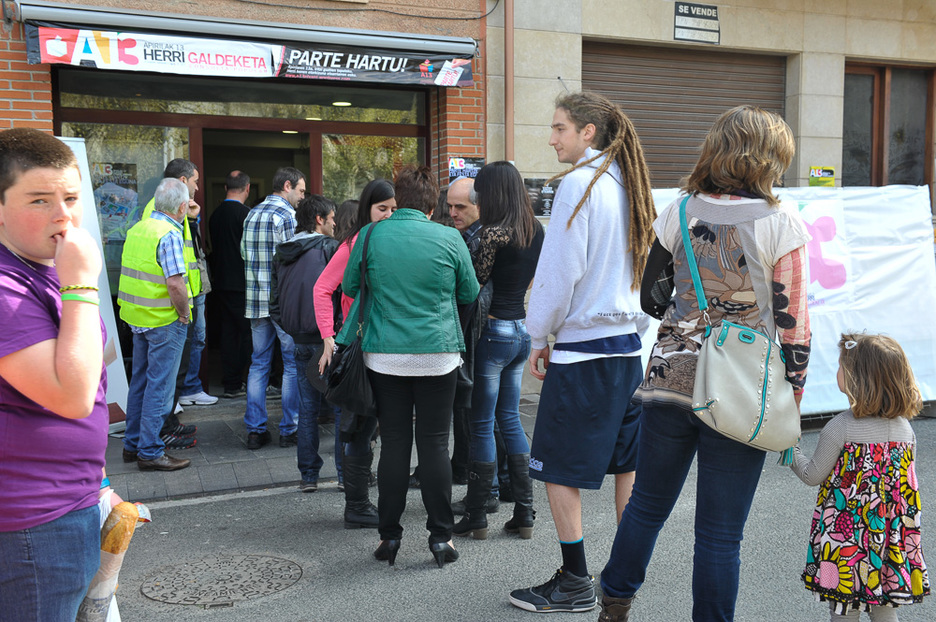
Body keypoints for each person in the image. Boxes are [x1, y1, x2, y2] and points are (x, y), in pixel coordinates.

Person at [598, 105, 812, 622]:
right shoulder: (781, 223)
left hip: (673, 373)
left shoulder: (678, 210)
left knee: (648, 503)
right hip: (741, 387)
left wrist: (691, 306)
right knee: (720, 534)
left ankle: (615, 601)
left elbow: (651, 297)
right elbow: (795, 326)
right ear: (769, 159)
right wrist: (792, 392)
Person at [509, 91, 656, 613]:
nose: (551, 138)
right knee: (627, 467)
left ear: (588, 131)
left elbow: (558, 272)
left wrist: (539, 335)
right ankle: (623, 575)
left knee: (555, 468)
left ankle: (575, 581)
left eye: (560, 129)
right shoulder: (629, 184)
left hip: (586, 352)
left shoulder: (579, 184)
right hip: (630, 352)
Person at [337, 165, 479, 569]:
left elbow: (349, 287)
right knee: (434, 443)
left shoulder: (370, 235)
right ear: (432, 203)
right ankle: (440, 539)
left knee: (395, 443)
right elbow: (468, 291)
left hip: (384, 354)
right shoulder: (450, 237)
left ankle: (389, 537)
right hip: (438, 354)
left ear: (397, 201)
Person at [0, 128, 108, 621]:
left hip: (65, 499)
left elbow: (92, 360)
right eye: (39, 200)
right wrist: (83, 284)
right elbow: (72, 395)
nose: (62, 215)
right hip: (33, 522)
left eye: (69, 197)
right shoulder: (8, 287)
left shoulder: (42, 264)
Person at [789, 333, 929, 622]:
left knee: (844, 610)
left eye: (841, 365)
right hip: (888, 539)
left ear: (856, 378)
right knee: (885, 609)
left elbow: (812, 474)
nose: (836, 371)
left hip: (845, 541)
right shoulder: (906, 432)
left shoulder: (840, 428)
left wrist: (789, 449)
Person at [453, 162, 544, 542]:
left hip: (492, 332)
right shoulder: (535, 229)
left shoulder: (491, 235)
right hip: (520, 331)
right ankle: (524, 512)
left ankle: (477, 514)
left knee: (482, 422)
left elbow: (473, 284)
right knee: (510, 418)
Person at [313, 180, 394, 523]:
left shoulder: (386, 240)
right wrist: (329, 338)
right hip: (359, 349)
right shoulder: (355, 243)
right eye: (382, 209)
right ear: (366, 210)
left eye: (393, 209)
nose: (389, 215)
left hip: (383, 346)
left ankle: (361, 503)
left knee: (370, 426)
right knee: (359, 426)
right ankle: (357, 506)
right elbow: (322, 289)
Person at [118, 177, 194, 472]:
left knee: (140, 382)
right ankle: (149, 451)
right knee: (159, 388)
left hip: (138, 319)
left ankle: (132, 445)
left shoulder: (138, 228)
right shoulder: (170, 234)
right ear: (181, 207)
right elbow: (176, 284)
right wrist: (185, 315)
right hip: (164, 320)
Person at [269, 195, 343, 497]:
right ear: (319, 220)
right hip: (330, 340)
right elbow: (340, 294)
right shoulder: (329, 249)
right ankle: (344, 475)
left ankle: (309, 476)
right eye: (332, 217)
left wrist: (290, 329)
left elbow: (274, 301)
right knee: (340, 409)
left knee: (307, 410)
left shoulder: (283, 252)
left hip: (298, 339)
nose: (335, 223)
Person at [139, 159, 209, 449]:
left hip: (164, 306)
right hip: (168, 308)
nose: (197, 186)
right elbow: (172, 273)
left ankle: (157, 431)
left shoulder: (166, 210)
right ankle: (159, 435)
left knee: (161, 378)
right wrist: (183, 311)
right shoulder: (165, 216)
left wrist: (193, 219)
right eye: (194, 181)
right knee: (163, 380)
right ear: (182, 180)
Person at [241, 166, 305, 450]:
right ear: (287, 186)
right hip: (282, 303)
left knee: (258, 365)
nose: (303, 197)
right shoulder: (288, 217)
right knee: (291, 365)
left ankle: (255, 431)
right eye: (301, 191)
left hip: (256, 301)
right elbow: (294, 262)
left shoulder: (251, 213)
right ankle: (289, 429)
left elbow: (244, 254)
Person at [208, 170, 252, 398]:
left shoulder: (214, 216)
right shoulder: (248, 216)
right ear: (247, 188)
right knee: (244, 334)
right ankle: (237, 382)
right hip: (243, 284)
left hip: (221, 281)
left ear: (226, 188)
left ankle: (230, 382)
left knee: (227, 333)